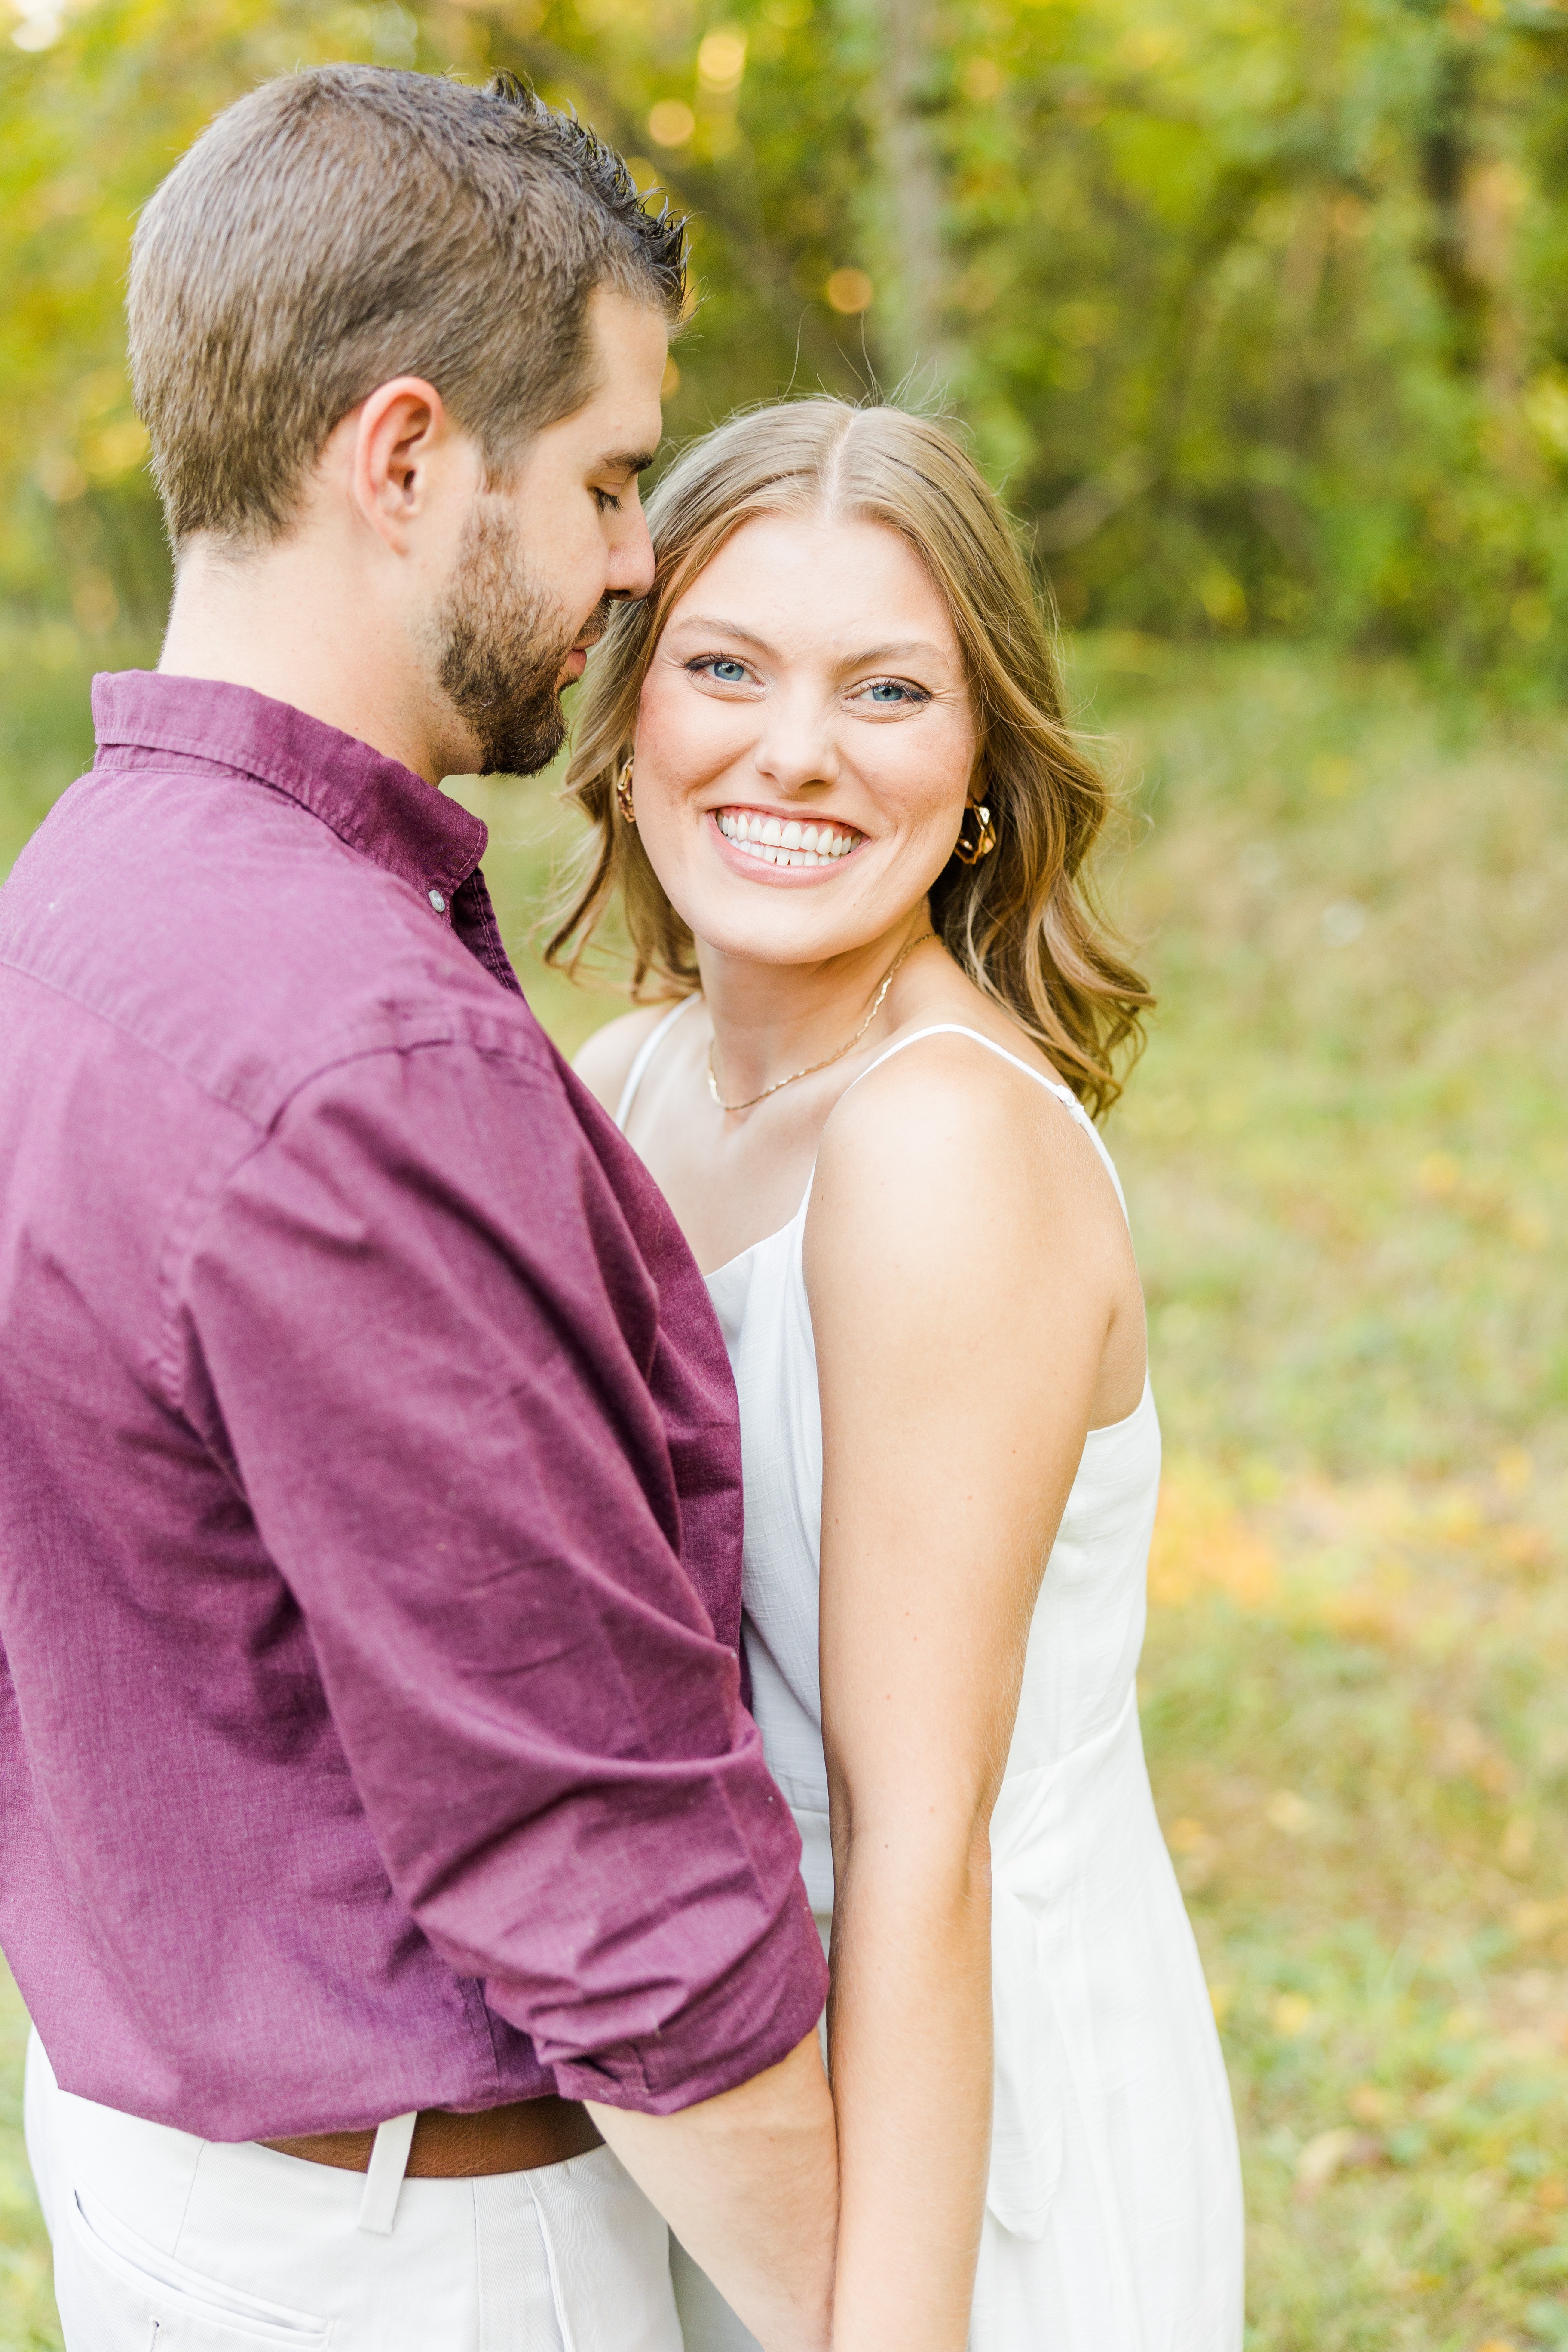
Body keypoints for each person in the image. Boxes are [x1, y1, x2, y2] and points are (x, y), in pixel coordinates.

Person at [0, 69, 839, 2352]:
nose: (638, 559)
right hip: (427, 2258)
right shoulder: (356, 1057)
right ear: (401, 459)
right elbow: (602, 1863)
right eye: (600, 476)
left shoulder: (64, 911)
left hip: (171, 2163)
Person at [566, 398, 1247, 2351]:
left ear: (976, 771)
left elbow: (916, 1836)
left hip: (964, 2133)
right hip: (753, 2088)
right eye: (725, 665)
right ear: (627, 725)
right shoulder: (634, 1087)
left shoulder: (939, 1148)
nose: (795, 750)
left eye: (885, 689)